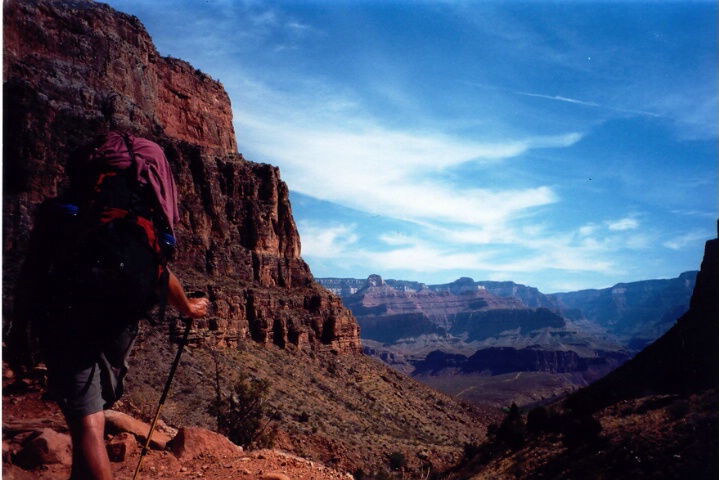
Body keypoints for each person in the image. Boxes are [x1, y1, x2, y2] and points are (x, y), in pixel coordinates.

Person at [7, 131, 209, 480]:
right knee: (95, 410)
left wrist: (19, 326)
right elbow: (162, 270)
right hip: (122, 318)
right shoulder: (140, 219)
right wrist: (188, 308)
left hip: (70, 315)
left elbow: (32, 271)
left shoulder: (63, 211)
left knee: (88, 423)